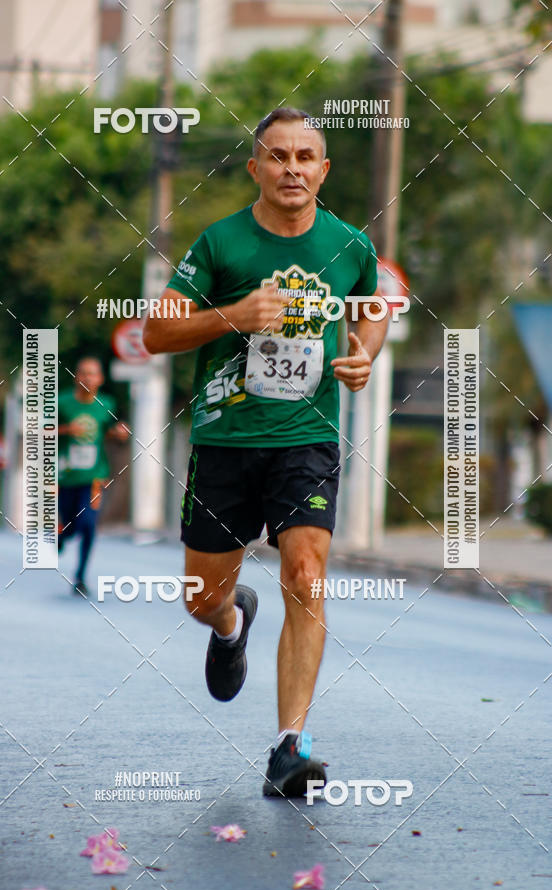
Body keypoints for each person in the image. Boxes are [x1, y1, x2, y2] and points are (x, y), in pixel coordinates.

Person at [143, 107, 389, 797]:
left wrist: (364, 355)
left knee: (307, 574)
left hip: (305, 440)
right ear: (254, 168)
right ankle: (229, 624)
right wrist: (234, 317)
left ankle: (291, 745)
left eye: (304, 156)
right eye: (277, 156)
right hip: (226, 442)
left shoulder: (348, 245)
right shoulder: (222, 244)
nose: (291, 168)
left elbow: (372, 308)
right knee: (201, 596)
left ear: (323, 170)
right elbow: (156, 336)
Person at [57, 357, 129, 597]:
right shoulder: (62, 403)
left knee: (88, 524)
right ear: (76, 377)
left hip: (94, 477)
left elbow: (113, 429)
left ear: (100, 379)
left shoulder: (106, 403)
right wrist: (67, 430)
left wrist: (120, 433)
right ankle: (62, 535)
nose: (88, 378)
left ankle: (80, 576)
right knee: (69, 526)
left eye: (93, 374)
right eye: (83, 373)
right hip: (66, 476)